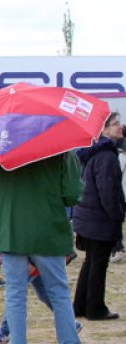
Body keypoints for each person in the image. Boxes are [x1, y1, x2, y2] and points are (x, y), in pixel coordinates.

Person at [0, 148, 88, 344]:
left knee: (15, 297)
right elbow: (72, 195)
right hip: (48, 230)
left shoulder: (3, 147)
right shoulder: (61, 150)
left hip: (11, 228)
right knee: (59, 295)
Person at [72, 112, 124, 320]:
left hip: (88, 216)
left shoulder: (93, 153)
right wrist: (118, 215)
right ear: (103, 131)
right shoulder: (107, 157)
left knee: (91, 261)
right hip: (99, 218)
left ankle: (81, 306)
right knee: (98, 263)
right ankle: (95, 308)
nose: (120, 127)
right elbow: (108, 192)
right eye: (115, 124)